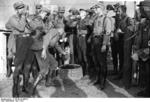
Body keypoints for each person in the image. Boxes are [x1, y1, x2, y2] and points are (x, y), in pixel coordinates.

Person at [91, 2, 111, 90]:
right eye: (95, 8)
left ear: (102, 9)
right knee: (96, 61)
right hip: (95, 41)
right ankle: (98, 79)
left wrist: (104, 44)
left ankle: (103, 82)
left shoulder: (106, 19)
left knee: (102, 63)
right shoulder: (96, 18)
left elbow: (108, 32)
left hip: (101, 41)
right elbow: (94, 29)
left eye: (97, 8)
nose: (96, 10)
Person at [132, 1, 150, 97]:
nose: (139, 10)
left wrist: (138, 53)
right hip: (144, 55)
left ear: (147, 9)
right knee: (146, 74)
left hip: (146, 54)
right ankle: (147, 91)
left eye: (141, 8)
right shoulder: (144, 22)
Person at [117, 5, 134, 89]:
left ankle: (127, 83)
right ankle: (122, 78)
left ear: (123, 11)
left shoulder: (128, 19)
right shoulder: (121, 19)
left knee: (127, 62)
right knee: (122, 61)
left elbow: (131, 29)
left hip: (127, 43)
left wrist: (122, 31)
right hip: (121, 43)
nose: (118, 12)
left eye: (119, 10)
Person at [77, 9, 89, 79]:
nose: (80, 13)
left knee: (85, 56)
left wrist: (81, 32)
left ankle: (86, 73)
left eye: (81, 13)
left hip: (84, 39)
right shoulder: (79, 21)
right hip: (79, 39)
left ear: (84, 14)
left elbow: (89, 31)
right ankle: (82, 72)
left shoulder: (86, 21)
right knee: (80, 56)